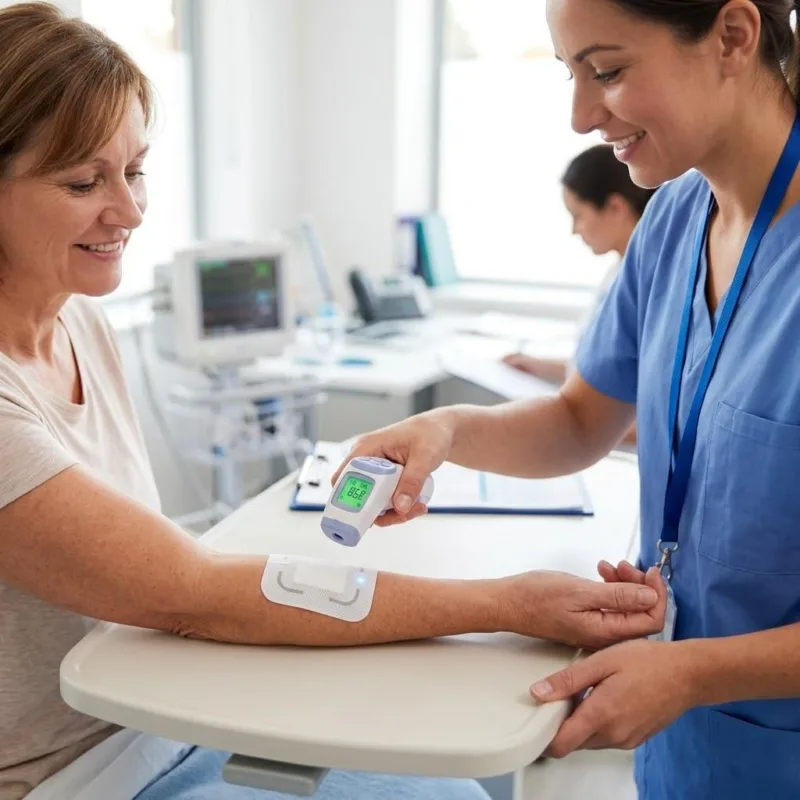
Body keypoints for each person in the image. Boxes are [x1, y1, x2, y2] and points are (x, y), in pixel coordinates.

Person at [0, 4, 666, 799]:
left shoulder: (82, 322)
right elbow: (186, 593)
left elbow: (163, 584)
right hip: (71, 772)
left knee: (456, 789)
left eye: (134, 170)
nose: (131, 211)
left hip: (165, 711)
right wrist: (509, 604)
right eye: (84, 182)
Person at [337, 1, 800, 797]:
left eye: (609, 71)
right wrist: (447, 428)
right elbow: (581, 420)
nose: (583, 115)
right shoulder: (673, 224)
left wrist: (694, 672)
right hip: (689, 741)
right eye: (570, 75)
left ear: (732, 36)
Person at [502, 144, 655, 387]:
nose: (574, 230)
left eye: (578, 215)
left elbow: (631, 385)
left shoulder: (648, 282)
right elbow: (605, 367)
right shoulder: (618, 272)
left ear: (615, 208)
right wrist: (538, 366)